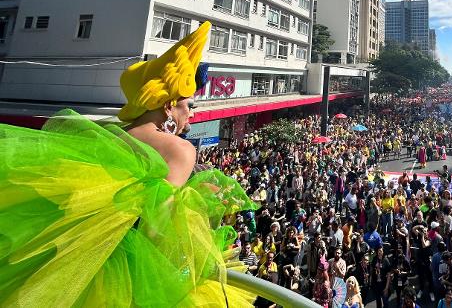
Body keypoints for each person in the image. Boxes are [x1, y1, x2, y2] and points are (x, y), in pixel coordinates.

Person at [0, 22, 258, 306]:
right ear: (169, 106)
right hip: (128, 273)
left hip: (81, 260)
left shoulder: (113, 134)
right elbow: (157, 227)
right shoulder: (180, 149)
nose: (193, 115)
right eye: (190, 105)